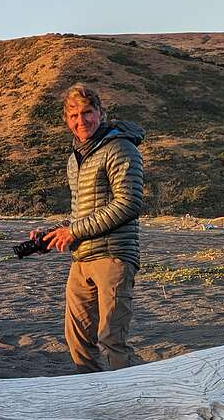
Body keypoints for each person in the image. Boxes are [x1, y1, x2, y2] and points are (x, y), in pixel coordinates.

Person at [32, 84, 146, 372]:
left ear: (101, 113)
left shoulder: (120, 147)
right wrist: (54, 234)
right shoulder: (76, 157)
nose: (81, 121)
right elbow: (81, 213)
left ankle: (127, 403)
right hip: (81, 257)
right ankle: (93, 397)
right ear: (66, 119)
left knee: (111, 339)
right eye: (73, 115)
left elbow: (129, 203)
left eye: (87, 113)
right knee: (77, 339)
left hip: (114, 256)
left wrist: (74, 231)